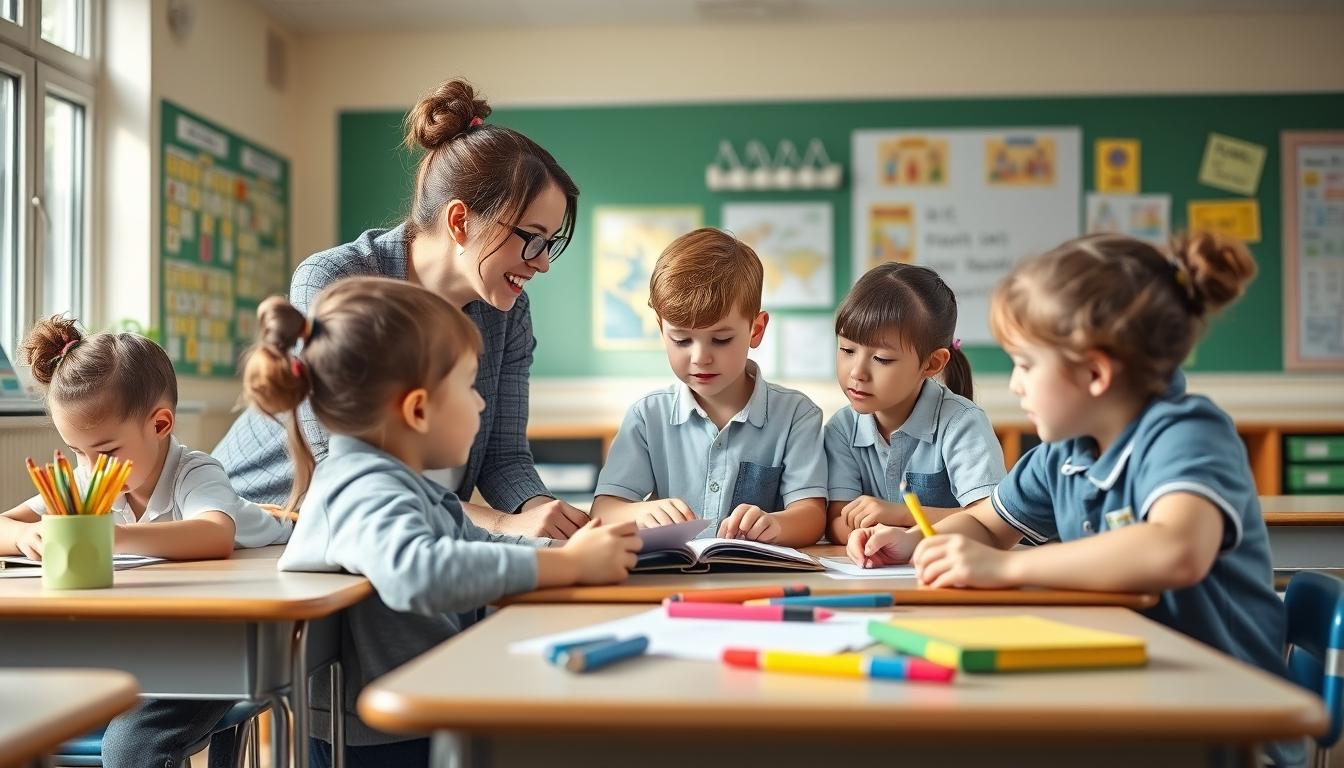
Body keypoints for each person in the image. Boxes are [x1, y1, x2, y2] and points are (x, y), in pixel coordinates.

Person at [851, 232, 1303, 767]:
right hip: (1136, 694)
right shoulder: (1065, 452)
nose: (1015, 386)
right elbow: (991, 524)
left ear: (1095, 373)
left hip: (1230, 723)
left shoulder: (1187, 433)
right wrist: (910, 544)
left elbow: (1175, 549)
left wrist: (1003, 570)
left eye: (1024, 364)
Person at [215, 76, 589, 540]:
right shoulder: (334, 280)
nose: (543, 263)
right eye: (532, 238)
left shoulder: (507, 311)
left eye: (550, 243)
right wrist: (501, 524)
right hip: (249, 524)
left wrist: (548, 516)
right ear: (460, 221)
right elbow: (347, 468)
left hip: (372, 535)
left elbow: (504, 458)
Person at [590, 228, 827, 547]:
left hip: (760, 583)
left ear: (755, 331)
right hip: (672, 581)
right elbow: (604, 510)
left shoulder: (796, 415)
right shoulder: (648, 416)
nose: (700, 357)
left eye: (721, 339)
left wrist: (775, 524)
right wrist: (641, 513)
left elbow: (811, 516)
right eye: (682, 339)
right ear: (661, 330)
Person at [824, 262, 1004, 544]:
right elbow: (836, 520)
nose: (857, 372)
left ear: (931, 363)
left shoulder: (962, 423)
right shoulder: (841, 429)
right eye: (847, 349)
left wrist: (903, 515)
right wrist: (868, 539)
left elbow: (992, 517)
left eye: (882, 359)